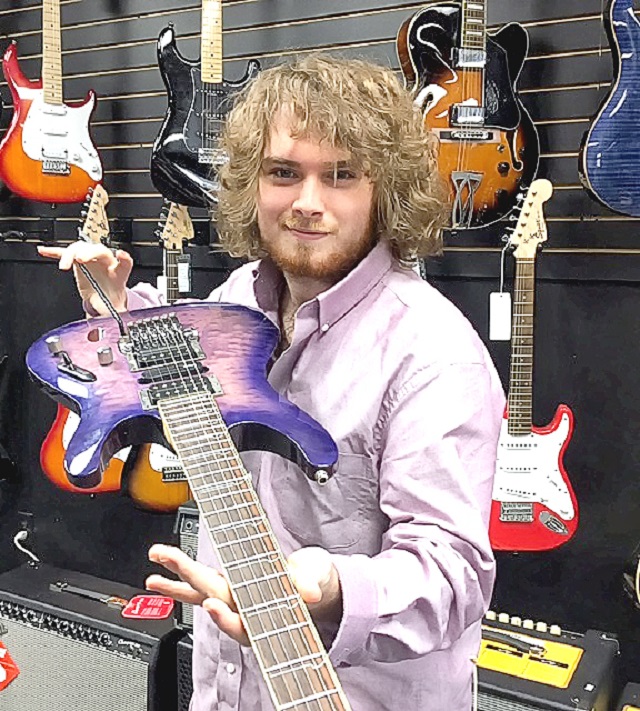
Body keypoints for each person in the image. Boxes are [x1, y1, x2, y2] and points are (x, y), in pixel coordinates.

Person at [39, 54, 505, 711]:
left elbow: (452, 572)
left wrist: (330, 585)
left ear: (385, 190)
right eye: (284, 173)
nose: (308, 203)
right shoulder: (241, 298)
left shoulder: (434, 355)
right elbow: (177, 364)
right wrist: (117, 309)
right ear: (251, 183)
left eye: (341, 175)